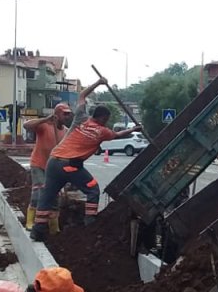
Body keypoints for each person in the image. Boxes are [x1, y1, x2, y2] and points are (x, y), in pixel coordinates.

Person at [30, 79, 142, 242]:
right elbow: (118, 135)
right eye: (107, 119)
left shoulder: (81, 117)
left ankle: (37, 231)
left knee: (47, 196)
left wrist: (98, 83)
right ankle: (90, 223)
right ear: (103, 118)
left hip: (53, 162)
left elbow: (82, 94)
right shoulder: (102, 131)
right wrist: (134, 129)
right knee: (92, 188)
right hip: (69, 165)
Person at [21, 102, 74, 230]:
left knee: (55, 197)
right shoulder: (44, 126)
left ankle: (53, 227)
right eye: (64, 114)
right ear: (56, 114)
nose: (66, 117)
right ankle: (30, 222)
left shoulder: (66, 132)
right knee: (39, 192)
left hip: (54, 169)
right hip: (39, 164)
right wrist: (45, 119)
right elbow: (26, 125)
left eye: (68, 114)